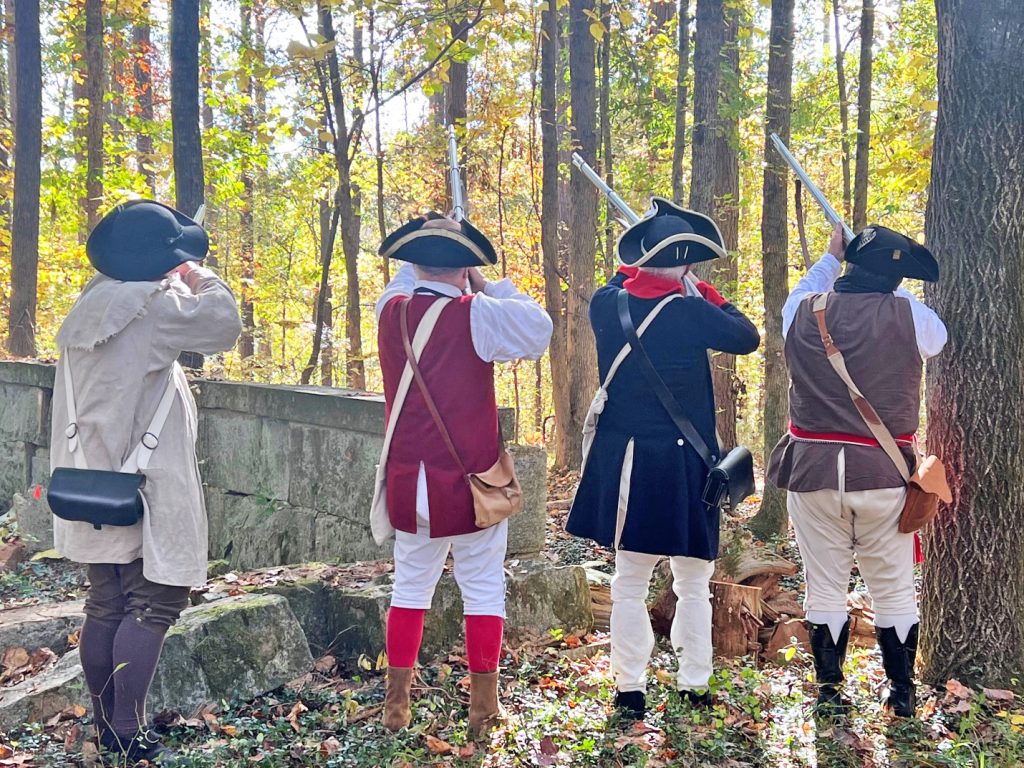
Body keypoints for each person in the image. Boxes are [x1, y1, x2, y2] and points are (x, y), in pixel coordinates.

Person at [49, 200, 241, 762]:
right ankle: (127, 731)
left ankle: (107, 726)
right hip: (144, 483)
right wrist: (196, 273)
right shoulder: (153, 306)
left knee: (106, 602)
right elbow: (223, 323)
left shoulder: (92, 300)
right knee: (154, 602)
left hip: (93, 479)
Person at [565, 198, 760, 721]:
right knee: (693, 584)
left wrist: (650, 262)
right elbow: (746, 335)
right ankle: (694, 683)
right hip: (685, 464)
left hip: (629, 463)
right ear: (686, 264)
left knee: (629, 584)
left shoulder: (606, 304)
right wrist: (704, 290)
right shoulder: (692, 311)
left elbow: (621, 278)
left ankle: (630, 688)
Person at [373, 212, 552, 739]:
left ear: (414, 263)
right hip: (471, 485)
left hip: (410, 485)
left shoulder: (390, 309)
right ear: (465, 268)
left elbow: (406, 278)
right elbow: (537, 327)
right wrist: (486, 281)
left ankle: (396, 708)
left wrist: (437, 238)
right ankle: (482, 712)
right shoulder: (478, 313)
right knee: (483, 590)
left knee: (409, 590)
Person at [767, 223, 947, 718]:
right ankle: (901, 694)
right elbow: (935, 334)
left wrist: (831, 258)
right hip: (882, 475)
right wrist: (892, 285)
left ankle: (829, 693)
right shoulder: (911, 314)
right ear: (894, 278)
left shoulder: (804, 310)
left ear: (849, 264)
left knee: (824, 586)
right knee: (893, 589)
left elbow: (803, 292)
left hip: (813, 474)